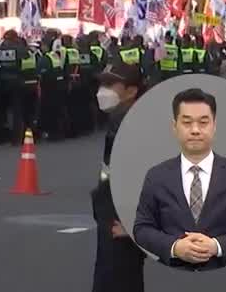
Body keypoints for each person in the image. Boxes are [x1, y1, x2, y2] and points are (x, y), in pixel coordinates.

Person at [132, 88, 226, 271]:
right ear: (175, 126)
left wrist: (217, 246)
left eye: (203, 122)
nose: (195, 130)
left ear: (214, 125)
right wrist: (174, 247)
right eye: (187, 122)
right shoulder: (156, 176)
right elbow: (142, 228)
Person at [91, 63, 145, 292]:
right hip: (111, 213)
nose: (103, 91)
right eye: (102, 84)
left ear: (131, 91)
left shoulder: (133, 124)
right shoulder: (120, 119)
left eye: (111, 84)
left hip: (122, 220)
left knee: (117, 280)